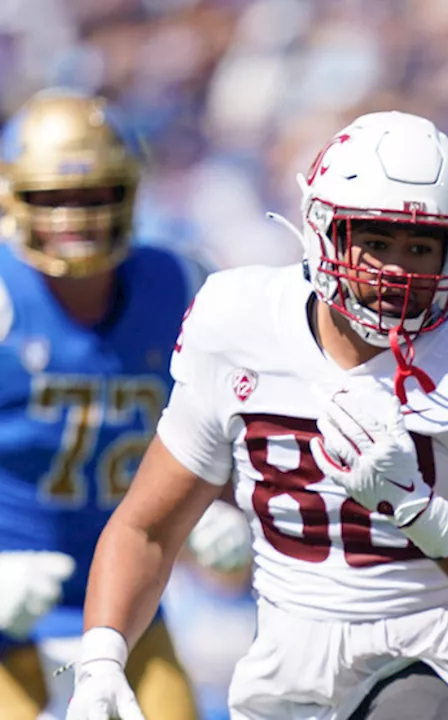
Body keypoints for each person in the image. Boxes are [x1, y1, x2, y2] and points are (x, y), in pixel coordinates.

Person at [63, 111, 448, 720]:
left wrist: (419, 511)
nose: (397, 270)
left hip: (446, 670)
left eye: (420, 246)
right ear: (324, 232)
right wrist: (100, 661)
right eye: (377, 241)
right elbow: (147, 527)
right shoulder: (239, 320)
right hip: (288, 683)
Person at [0, 89, 243, 720]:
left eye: (93, 194)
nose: (72, 216)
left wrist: (219, 509)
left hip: (127, 597)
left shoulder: (181, 285)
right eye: (52, 197)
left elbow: (228, 428)